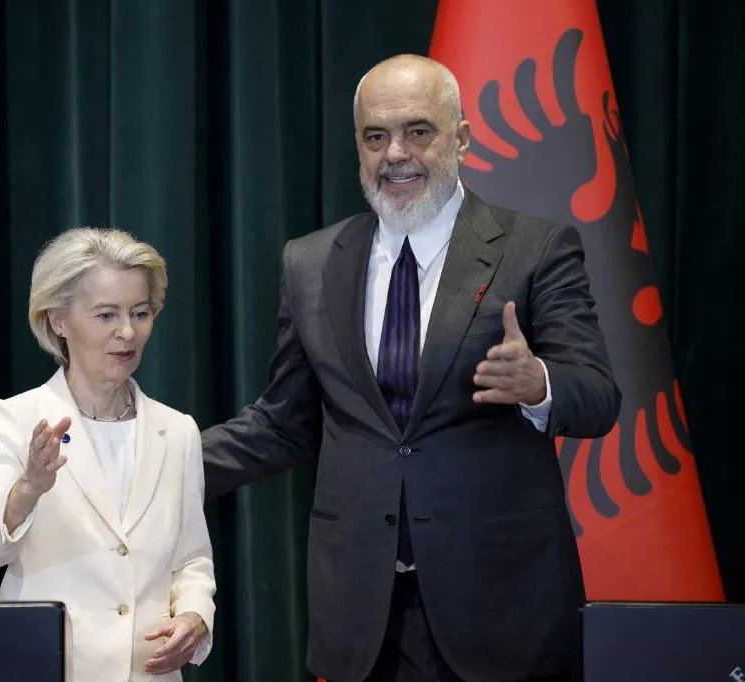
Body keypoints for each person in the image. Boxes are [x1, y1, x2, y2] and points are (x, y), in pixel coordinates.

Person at [200, 54, 620, 682]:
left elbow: (597, 396)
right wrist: (156, 469)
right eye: (376, 137)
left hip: (499, 609)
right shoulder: (311, 262)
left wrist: (540, 384)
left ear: (462, 137)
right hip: (362, 616)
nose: (396, 152)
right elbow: (283, 424)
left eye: (418, 131)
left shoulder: (536, 248)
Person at [0, 228, 215, 682]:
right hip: (47, 669)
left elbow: (192, 558)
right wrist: (30, 487)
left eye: (140, 312)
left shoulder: (178, 431)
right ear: (57, 320)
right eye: (105, 315)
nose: (127, 331)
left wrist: (194, 617)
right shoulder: (13, 420)